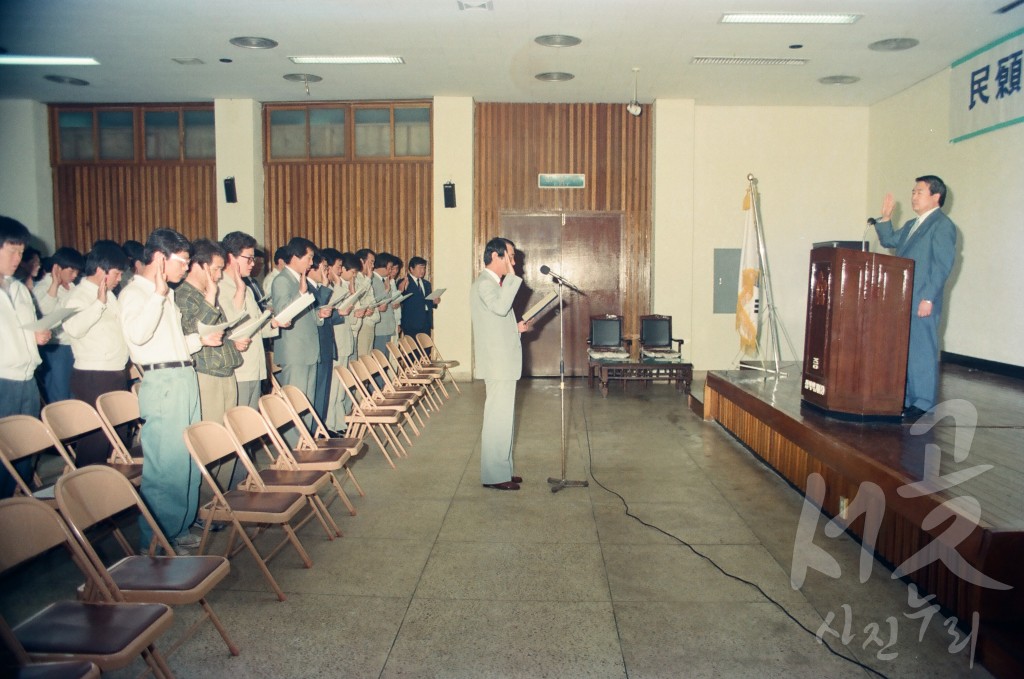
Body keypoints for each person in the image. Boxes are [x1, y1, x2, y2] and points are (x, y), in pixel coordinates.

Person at [120, 227, 221, 552]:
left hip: (183, 375)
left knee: (187, 458)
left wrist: (199, 340)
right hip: (162, 383)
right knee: (165, 465)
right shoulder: (135, 294)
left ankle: (178, 526)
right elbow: (137, 336)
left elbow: (172, 343)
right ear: (161, 259)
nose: (186, 267)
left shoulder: (165, 294)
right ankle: (154, 542)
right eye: (182, 261)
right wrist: (158, 296)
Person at [875, 175, 957, 420]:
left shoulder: (942, 225)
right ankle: (909, 398)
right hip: (904, 299)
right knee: (907, 349)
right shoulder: (913, 224)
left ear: (936, 197)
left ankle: (923, 402)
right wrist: (887, 218)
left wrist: (929, 298)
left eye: (919, 192)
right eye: (912, 192)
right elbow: (890, 240)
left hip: (923, 299)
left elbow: (942, 265)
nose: (913, 196)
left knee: (922, 349)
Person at [61, 240, 131, 466]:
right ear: (101, 270)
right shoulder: (78, 295)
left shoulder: (109, 294)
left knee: (118, 436)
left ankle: (112, 490)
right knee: (96, 439)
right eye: (117, 273)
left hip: (115, 372)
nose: (120, 279)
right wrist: (98, 304)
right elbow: (73, 328)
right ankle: (88, 489)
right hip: (94, 375)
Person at [470, 237, 532, 490]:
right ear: (496, 256)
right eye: (510, 256)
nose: (514, 261)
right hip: (498, 363)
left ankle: (501, 469)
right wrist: (513, 276)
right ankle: (495, 476)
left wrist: (515, 327)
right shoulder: (486, 282)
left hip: (502, 359)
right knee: (498, 418)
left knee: (504, 418)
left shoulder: (493, 283)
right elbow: (501, 307)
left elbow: (497, 318)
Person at [0, 216, 51, 497]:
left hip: (27, 381)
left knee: (24, 454)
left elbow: (26, 330)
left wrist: (37, 338)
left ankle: (14, 512)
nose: (18, 259)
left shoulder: (19, 288)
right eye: (12, 251)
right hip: (3, 382)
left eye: (21, 252)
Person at [175, 239, 245, 424]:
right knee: (213, 435)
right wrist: (211, 296)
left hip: (224, 370)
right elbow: (194, 330)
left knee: (231, 431)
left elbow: (217, 328)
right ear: (199, 266)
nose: (219, 275)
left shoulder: (205, 292)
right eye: (215, 269)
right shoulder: (182, 295)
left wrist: (233, 340)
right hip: (206, 373)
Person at [271, 237, 329, 440]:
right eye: (309, 257)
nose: (312, 263)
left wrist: (319, 316)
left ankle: (306, 442)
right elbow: (282, 314)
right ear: (296, 256)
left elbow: (308, 316)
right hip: (295, 351)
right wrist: (301, 294)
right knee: (293, 402)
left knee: (306, 401)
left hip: (309, 349)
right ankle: (293, 448)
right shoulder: (282, 280)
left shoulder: (298, 279)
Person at [33, 246, 85, 404]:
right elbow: (43, 315)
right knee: (59, 395)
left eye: (77, 272)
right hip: (56, 348)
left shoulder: (74, 286)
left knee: (74, 394)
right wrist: (54, 285)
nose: (74, 276)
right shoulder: (42, 287)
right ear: (57, 268)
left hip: (74, 346)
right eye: (71, 271)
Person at [401, 256, 437, 344]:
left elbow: (427, 302)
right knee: (413, 351)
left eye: (424, 268)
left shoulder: (426, 284)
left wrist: (434, 302)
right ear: (411, 269)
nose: (423, 270)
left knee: (426, 349)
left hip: (425, 322)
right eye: (420, 268)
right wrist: (403, 288)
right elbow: (400, 299)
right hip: (411, 323)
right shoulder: (404, 282)